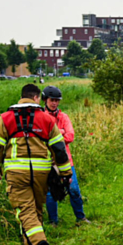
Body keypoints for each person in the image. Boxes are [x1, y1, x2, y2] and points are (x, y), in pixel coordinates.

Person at [0, 83, 72, 245]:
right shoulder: (47, 119)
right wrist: (66, 174)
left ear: (22, 96)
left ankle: (38, 240)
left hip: (16, 172)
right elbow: (59, 149)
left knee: (24, 208)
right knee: (36, 209)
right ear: (36, 98)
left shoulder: (6, 118)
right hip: (41, 172)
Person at [41, 85, 88, 226]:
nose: (54, 103)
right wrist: (60, 132)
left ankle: (81, 218)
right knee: (50, 193)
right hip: (48, 161)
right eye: (52, 100)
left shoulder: (63, 117)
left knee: (73, 189)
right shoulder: (41, 117)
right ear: (45, 100)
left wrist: (55, 135)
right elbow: (41, 138)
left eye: (57, 100)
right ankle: (53, 221)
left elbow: (70, 136)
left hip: (66, 160)